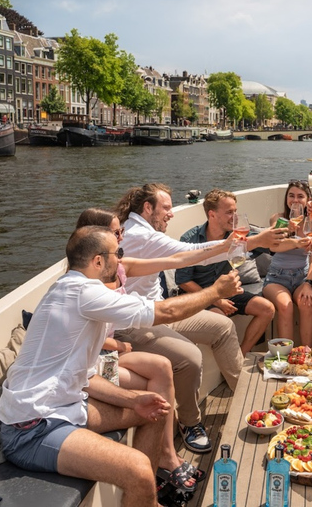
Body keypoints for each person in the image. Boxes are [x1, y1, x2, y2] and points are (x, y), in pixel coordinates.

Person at [0, 226, 243, 507]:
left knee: (156, 409)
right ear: (98, 261)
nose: (121, 260)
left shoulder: (73, 290)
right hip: (32, 428)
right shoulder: (83, 292)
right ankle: (145, 492)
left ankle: (145, 497)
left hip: (65, 407)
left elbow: (86, 377)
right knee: (136, 468)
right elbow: (166, 312)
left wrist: (134, 400)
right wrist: (215, 292)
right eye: (118, 253)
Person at [115, 183, 283, 453]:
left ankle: (244, 394)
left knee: (222, 326)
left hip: (158, 310)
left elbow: (194, 255)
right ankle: (190, 423)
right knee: (189, 358)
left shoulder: (144, 232)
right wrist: (254, 242)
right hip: (132, 323)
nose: (171, 214)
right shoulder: (141, 236)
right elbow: (191, 255)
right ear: (148, 208)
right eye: (166, 208)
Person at [75, 207, 233, 486]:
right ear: (97, 248)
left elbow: (177, 258)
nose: (122, 238)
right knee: (157, 387)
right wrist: (216, 293)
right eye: (116, 234)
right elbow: (92, 335)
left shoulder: (118, 268)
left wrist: (236, 244)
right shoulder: (89, 289)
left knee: (162, 368)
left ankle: (166, 456)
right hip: (97, 358)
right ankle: (164, 459)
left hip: (106, 349)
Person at [176, 189, 276, 354]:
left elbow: (267, 242)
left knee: (267, 309)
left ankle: (240, 355)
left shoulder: (237, 234)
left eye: (235, 211)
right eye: (230, 212)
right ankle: (231, 364)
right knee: (220, 319)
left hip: (226, 291)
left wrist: (290, 236)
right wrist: (216, 300)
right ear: (212, 214)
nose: (235, 217)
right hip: (198, 296)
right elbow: (184, 281)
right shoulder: (190, 240)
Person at [262, 180, 312, 345]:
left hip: (303, 277)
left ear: (308, 200)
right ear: (286, 198)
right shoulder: (278, 219)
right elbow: (274, 246)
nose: (295, 200)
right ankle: (286, 357)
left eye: (300, 196)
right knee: (286, 306)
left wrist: (308, 283)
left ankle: (306, 353)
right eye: (291, 195)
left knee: (307, 303)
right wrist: (291, 235)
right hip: (276, 278)